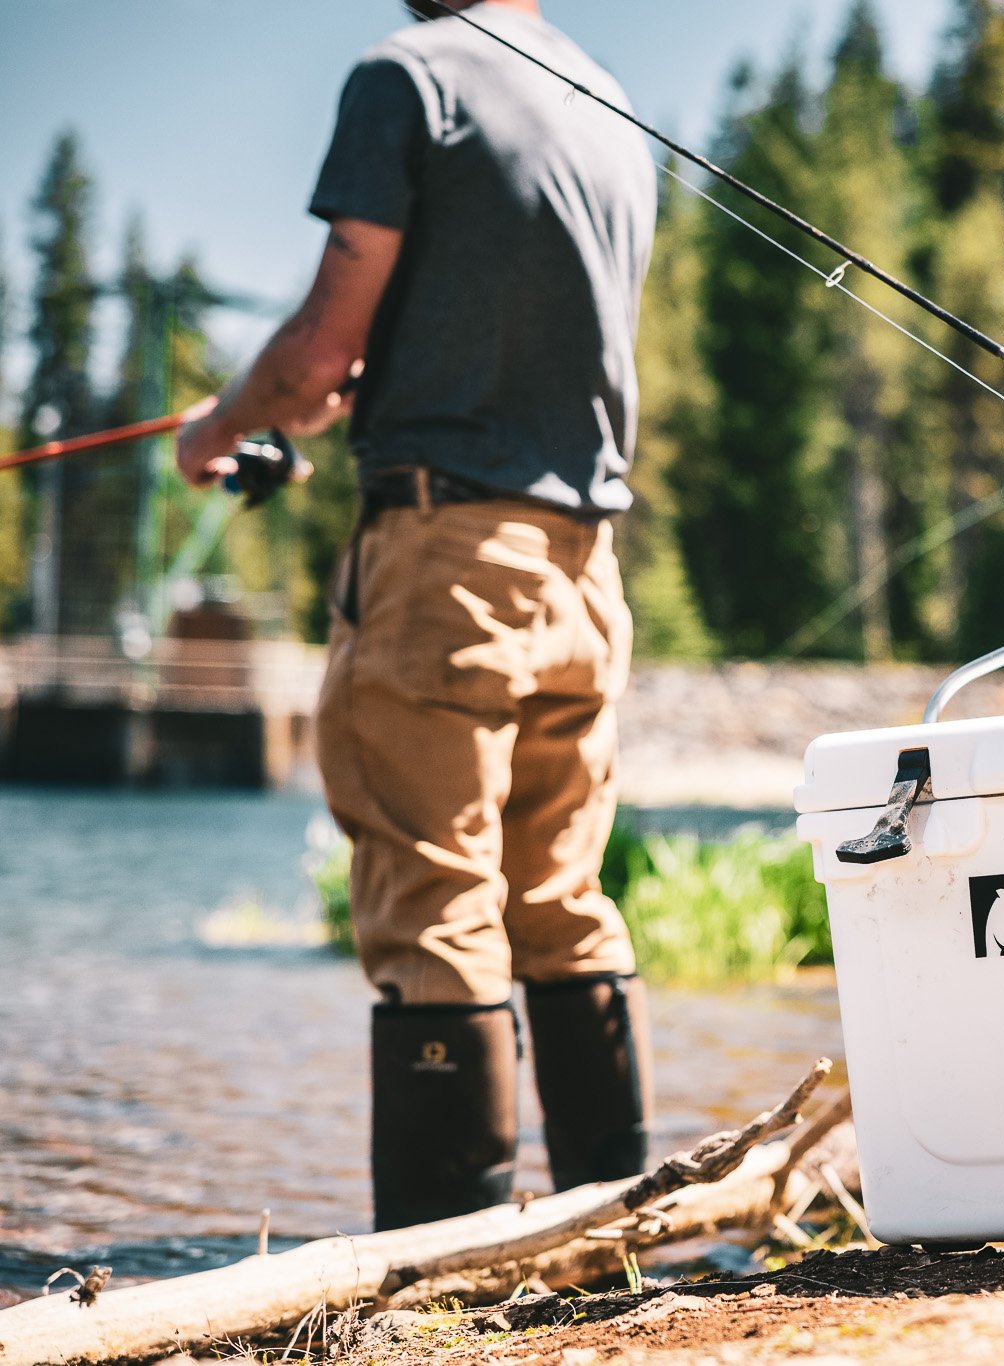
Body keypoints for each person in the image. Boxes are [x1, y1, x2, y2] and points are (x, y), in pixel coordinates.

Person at [177, 0, 658, 1229]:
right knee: (561, 898)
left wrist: (221, 425)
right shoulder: (606, 108)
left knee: (433, 899)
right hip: (584, 568)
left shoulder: (407, 78)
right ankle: (614, 1233)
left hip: (447, 557)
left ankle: (442, 1266)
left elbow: (315, 353)